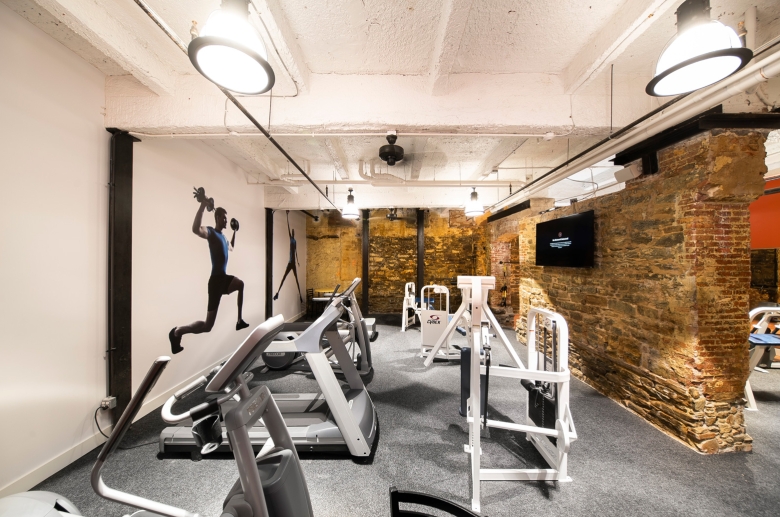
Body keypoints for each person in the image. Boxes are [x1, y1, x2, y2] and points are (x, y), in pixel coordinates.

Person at [169, 191, 248, 354]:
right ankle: (177, 332)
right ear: (217, 218)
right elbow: (195, 229)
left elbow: (232, 247)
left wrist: (235, 232)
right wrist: (203, 205)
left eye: (227, 218)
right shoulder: (211, 232)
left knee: (240, 284)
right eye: (224, 218)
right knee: (207, 326)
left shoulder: (225, 237)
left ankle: (239, 320)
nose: (226, 220)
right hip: (215, 282)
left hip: (222, 279)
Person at [273, 210, 303, 303]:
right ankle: (277, 293)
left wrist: (297, 261)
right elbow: (288, 228)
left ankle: (301, 297)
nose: (293, 232)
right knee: (284, 277)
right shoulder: (291, 238)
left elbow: (296, 251)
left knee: (297, 279)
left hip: (293, 262)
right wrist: (286, 216)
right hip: (290, 262)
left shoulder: (295, 241)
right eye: (292, 232)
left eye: (293, 232)